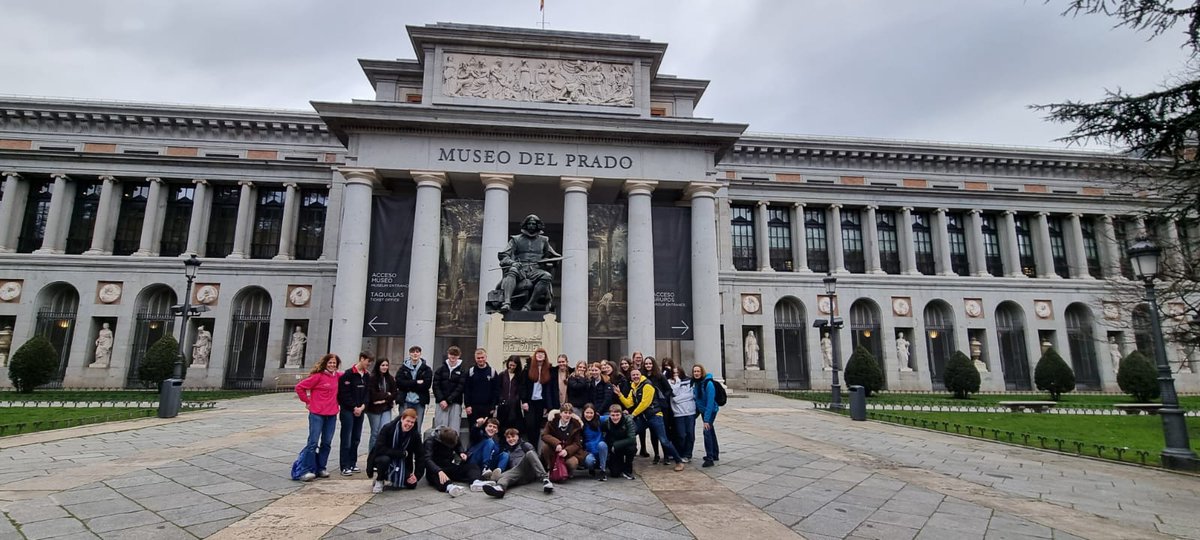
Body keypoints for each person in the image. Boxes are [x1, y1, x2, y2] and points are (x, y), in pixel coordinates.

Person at [615, 368, 685, 471]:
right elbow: (629, 403)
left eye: (637, 374)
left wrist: (633, 415)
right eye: (633, 375)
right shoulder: (633, 387)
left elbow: (645, 403)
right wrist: (620, 394)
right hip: (644, 418)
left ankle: (679, 461)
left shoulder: (647, 385)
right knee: (631, 433)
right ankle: (624, 461)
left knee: (664, 440)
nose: (635, 376)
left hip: (655, 416)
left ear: (641, 375)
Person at [496, 214, 562, 312]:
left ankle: (528, 305)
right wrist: (512, 262)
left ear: (537, 225)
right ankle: (507, 303)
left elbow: (553, 256)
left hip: (535, 271)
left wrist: (551, 262)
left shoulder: (544, 240)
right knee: (512, 270)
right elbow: (503, 255)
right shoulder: (516, 239)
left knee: (547, 276)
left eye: (533, 224)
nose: (531, 225)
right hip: (520, 269)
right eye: (529, 223)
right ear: (525, 225)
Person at [294, 354, 342, 481]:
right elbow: (299, 387)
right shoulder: (318, 376)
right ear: (325, 363)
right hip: (317, 413)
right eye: (330, 363)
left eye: (334, 363)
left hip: (331, 414)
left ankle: (321, 467)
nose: (332, 365)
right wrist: (307, 402)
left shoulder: (337, 376)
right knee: (313, 442)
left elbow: (351, 375)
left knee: (327, 442)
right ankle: (306, 469)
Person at [481, 428, 554, 498]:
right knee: (504, 477)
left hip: (528, 469)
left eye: (513, 436)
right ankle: (500, 488)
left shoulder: (525, 445)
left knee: (530, 453)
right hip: (516, 474)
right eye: (508, 437)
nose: (511, 439)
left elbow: (535, 458)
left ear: (518, 437)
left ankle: (545, 480)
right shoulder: (507, 450)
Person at [366, 407, 424, 493]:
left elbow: (420, 455)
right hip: (384, 457)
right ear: (402, 419)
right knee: (384, 460)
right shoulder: (388, 428)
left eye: (412, 422)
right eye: (407, 421)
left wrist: (417, 475)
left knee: (412, 484)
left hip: (402, 463)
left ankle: (394, 477)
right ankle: (380, 479)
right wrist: (400, 453)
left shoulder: (414, 435)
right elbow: (379, 448)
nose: (409, 424)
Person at [337, 351, 372, 476]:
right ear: (362, 359)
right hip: (348, 410)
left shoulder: (367, 376)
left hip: (360, 410)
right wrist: (354, 407)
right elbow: (344, 394)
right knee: (346, 438)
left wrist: (362, 406)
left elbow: (367, 393)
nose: (368, 365)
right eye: (367, 362)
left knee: (356, 438)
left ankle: (352, 462)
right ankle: (345, 465)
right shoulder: (348, 374)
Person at [423, 426, 476, 497]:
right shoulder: (430, 441)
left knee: (472, 467)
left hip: (449, 465)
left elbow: (458, 445)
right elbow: (427, 459)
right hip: (435, 469)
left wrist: (461, 452)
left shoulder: (454, 435)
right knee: (439, 477)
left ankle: (475, 482)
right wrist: (438, 470)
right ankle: (449, 487)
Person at [541, 403, 587, 478]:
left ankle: (566, 471)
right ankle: (550, 468)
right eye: (565, 412)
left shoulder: (576, 425)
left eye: (569, 413)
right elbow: (544, 435)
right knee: (545, 447)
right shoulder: (552, 421)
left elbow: (577, 444)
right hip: (555, 450)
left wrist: (567, 451)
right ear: (560, 413)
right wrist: (556, 443)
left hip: (569, 452)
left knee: (572, 463)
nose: (567, 415)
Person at [463, 348, 498, 446]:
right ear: (475, 358)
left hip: (487, 408)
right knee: (474, 431)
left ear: (486, 357)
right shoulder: (471, 372)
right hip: (473, 408)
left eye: (482, 357)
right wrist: (467, 405)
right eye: (478, 358)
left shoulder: (492, 372)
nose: (480, 360)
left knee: (487, 432)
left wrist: (493, 406)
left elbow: (496, 391)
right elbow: (466, 390)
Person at [396, 346, 433, 430]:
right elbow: (399, 383)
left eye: (417, 352)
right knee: (403, 427)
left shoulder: (426, 369)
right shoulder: (402, 368)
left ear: (420, 354)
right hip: (405, 400)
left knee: (417, 428)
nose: (415, 354)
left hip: (419, 402)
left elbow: (426, 385)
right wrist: (416, 382)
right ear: (409, 354)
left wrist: (408, 385)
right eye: (413, 352)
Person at [432, 346, 466, 434]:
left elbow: (460, 387)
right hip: (441, 403)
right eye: (451, 354)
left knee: (453, 430)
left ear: (459, 356)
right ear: (448, 355)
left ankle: (453, 447)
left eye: (455, 355)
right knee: (440, 428)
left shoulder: (462, 371)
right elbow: (435, 385)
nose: (453, 357)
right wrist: (442, 400)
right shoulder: (440, 370)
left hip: (455, 402)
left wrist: (448, 400)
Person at [692, 364, 721, 467]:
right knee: (711, 431)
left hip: (710, 410)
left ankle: (710, 458)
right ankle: (714, 454)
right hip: (703, 410)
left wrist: (707, 420)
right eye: (694, 371)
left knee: (707, 431)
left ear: (702, 372)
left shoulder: (709, 384)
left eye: (698, 371)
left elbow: (710, 402)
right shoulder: (696, 383)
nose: (696, 373)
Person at [365, 357, 397, 451]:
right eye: (383, 365)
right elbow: (373, 395)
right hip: (374, 409)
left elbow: (395, 393)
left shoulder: (390, 378)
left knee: (385, 430)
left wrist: (384, 399)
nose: (385, 367)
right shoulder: (372, 378)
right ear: (378, 366)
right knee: (375, 433)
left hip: (386, 407)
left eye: (386, 365)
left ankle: (381, 454)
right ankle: (372, 455)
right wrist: (387, 394)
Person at [522, 348, 552, 443]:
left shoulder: (548, 369)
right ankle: (530, 445)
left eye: (542, 354)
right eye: (538, 353)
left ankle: (535, 448)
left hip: (541, 402)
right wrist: (524, 401)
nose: (540, 355)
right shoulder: (528, 369)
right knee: (530, 424)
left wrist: (547, 406)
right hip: (530, 402)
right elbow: (523, 386)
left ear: (545, 357)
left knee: (537, 425)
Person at [668, 366, 696, 462]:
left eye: (677, 373)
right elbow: (674, 393)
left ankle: (688, 454)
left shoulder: (690, 381)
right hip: (678, 413)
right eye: (674, 373)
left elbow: (691, 395)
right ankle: (680, 453)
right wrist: (677, 381)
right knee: (681, 435)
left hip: (690, 412)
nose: (676, 374)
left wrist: (678, 399)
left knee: (690, 434)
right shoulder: (670, 382)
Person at [602, 404, 637, 480]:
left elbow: (632, 438)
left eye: (617, 415)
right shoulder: (607, 422)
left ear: (621, 414)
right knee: (615, 473)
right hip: (614, 449)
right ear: (609, 415)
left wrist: (616, 445)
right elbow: (605, 436)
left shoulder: (628, 421)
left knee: (631, 449)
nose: (615, 417)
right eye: (613, 415)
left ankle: (628, 468)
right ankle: (619, 465)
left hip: (626, 445)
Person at [496, 356, 526, 434]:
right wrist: (500, 399)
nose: (511, 367)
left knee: (515, 426)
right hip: (503, 405)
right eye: (510, 365)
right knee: (502, 427)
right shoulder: (502, 375)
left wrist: (516, 399)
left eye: (514, 365)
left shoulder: (520, 376)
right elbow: (498, 389)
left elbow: (521, 390)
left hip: (515, 406)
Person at [580, 403, 608, 481]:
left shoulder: (599, 420)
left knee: (602, 444)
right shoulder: (580, 423)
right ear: (583, 413)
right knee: (589, 461)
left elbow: (612, 417)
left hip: (600, 449)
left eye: (591, 413)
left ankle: (603, 471)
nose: (589, 415)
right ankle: (591, 469)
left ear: (594, 413)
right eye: (587, 413)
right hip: (589, 452)